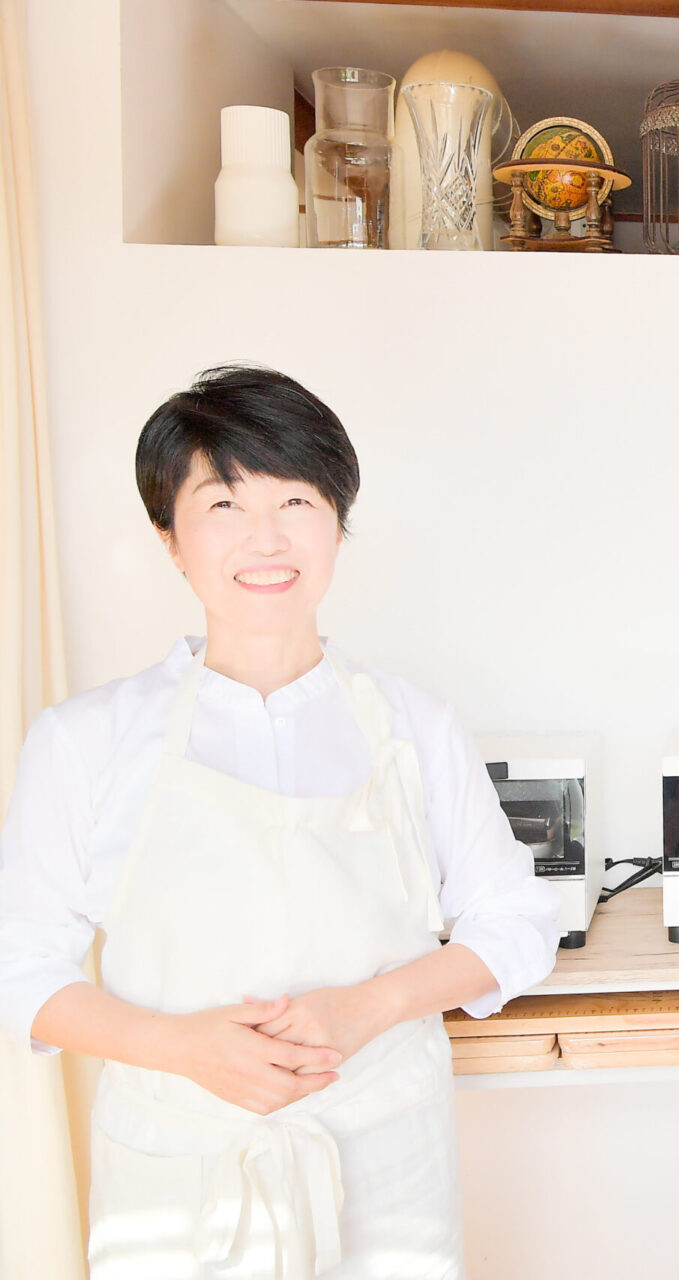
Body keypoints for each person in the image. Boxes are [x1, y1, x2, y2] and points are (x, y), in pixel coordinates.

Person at [0, 365, 561, 1278]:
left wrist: (370, 1008)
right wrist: (180, 1048)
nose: (266, 539)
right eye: (223, 505)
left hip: (384, 1157)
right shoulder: (85, 739)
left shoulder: (413, 725)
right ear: (170, 538)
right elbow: (19, 968)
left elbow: (517, 923)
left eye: (296, 500)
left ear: (338, 523)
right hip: (177, 1175)